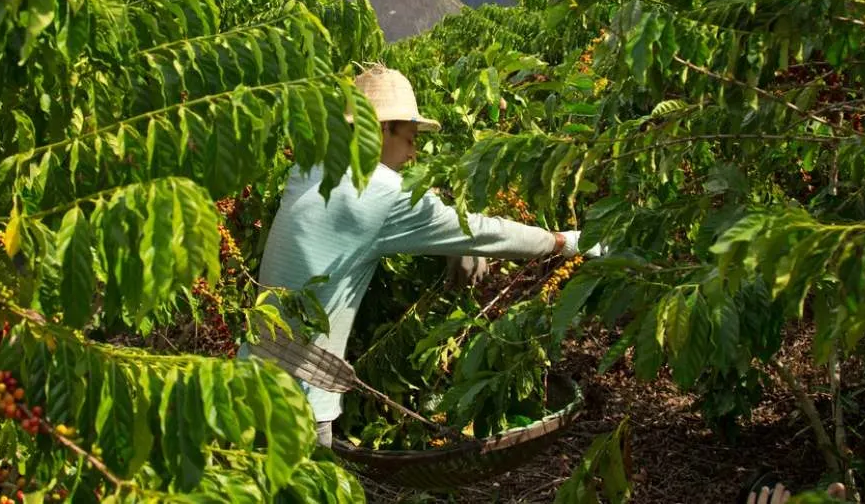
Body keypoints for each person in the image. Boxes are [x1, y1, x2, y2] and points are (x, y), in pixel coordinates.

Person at [242, 64, 605, 447]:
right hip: (299, 404)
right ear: (382, 129)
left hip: (246, 376)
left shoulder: (309, 168)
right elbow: (482, 230)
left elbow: (375, 226)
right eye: (411, 138)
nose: (414, 154)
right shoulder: (380, 190)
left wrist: (451, 244)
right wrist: (561, 242)